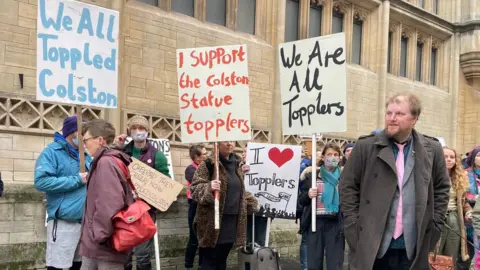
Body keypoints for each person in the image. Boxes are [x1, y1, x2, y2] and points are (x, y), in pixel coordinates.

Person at [340, 92, 450, 270]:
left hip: (413, 247)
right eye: (389, 113)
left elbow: (442, 188)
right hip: (372, 243)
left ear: (414, 118)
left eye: (399, 114)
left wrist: (435, 224)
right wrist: (353, 225)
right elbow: (347, 187)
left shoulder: (432, 149)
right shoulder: (366, 147)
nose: (392, 118)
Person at [34, 116, 91, 270]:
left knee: (78, 265)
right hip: (63, 222)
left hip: (84, 223)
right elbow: (41, 182)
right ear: (73, 133)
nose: (85, 137)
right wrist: (76, 180)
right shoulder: (52, 152)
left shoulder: (85, 155)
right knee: (59, 266)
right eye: (83, 132)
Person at [114, 115, 170, 270]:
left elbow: (165, 184)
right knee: (124, 253)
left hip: (145, 211)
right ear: (129, 131)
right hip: (124, 209)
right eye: (134, 128)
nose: (138, 131)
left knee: (142, 254)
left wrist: (146, 193)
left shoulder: (157, 155)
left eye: (142, 128)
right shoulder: (122, 152)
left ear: (147, 131)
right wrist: (116, 146)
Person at [190, 141, 258, 270]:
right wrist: (208, 187)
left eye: (232, 140)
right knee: (210, 261)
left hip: (232, 221)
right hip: (212, 222)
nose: (229, 143)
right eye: (225, 140)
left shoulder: (238, 164)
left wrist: (251, 202)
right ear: (217, 143)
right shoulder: (208, 164)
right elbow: (194, 189)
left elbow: (238, 190)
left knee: (222, 259)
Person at [79, 119, 135, 270]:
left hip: (103, 246)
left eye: (86, 140)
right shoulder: (107, 161)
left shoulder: (105, 163)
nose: (84, 144)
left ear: (100, 140)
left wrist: (99, 235)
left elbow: (110, 204)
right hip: (98, 245)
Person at [299, 143, 345, 270]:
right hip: (315, 224)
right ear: (323, 157)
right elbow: (301, 201)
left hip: (336, 224)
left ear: (340, 158)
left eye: (336, 155)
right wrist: (308, 195)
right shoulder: (312, 176)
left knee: (335, 264)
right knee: (314, 264)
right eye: (329, 154)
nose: (333, 157)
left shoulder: (344, 178)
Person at [439, 147, 471, 264]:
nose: (449, 160)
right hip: (437, 218)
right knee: (434, 253)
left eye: (452, 157)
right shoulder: (431, 175)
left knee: (451, 255)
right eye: (445, 157)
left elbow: (464, 201)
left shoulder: (459, 177)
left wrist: (468, 211)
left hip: (455, 219)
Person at [184, 144, 207, 270]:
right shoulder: (190, 169)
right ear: (197, 157)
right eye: (204, 154)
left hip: (205, 205)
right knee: (194, 239)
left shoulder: (207, 167)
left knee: (204, 239)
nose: (207, 156)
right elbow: (200, 184)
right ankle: (188, 266)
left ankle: (202, 265)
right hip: (195, 205)